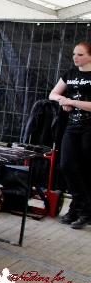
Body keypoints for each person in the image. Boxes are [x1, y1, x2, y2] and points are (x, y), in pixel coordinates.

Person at [49, 41, 91, 229]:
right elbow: (53, 94)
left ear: (90, 56)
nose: (75, 57)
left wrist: (71, 102)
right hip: (71, 127)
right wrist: (63, 100)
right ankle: (81, 209)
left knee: (85, 169)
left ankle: (79, 210)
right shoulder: (69, 74)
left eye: (80, 54)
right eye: (74, 54)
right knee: (66, 165)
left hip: (89, 127)